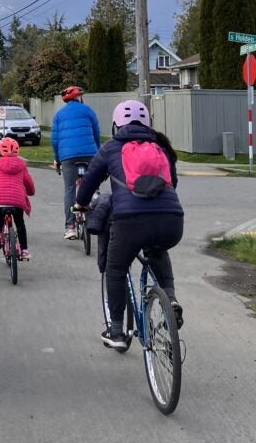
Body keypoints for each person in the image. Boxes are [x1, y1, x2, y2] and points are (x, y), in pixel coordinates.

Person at [74, 99, 184, 349]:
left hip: (130, 221)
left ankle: (116, 331)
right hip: (171, 220)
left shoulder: (111, 147)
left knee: (115, 268)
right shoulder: (162, 146)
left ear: (116, 125)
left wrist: (80, 205)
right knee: (157, 248)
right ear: (148, 123)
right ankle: (170, 297)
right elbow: (172, 183)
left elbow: (89, 182)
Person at [51, 85, 101, 240]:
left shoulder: (59, 115)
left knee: (70, 189)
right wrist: (97, 152)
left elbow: (55, 140)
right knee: (91, 185)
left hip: (68, 156)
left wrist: (57, 159)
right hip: (89, 154)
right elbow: (96, 133)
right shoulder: (88, 111)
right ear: (79, 98)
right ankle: (94, 218)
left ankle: (70, 227)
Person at [0, 137, 35, 261]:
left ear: (0, 151)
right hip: (17, 201)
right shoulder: (22, 165)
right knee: (20, 224)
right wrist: (31, 192)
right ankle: (25, 250)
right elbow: (29, 183)